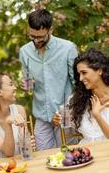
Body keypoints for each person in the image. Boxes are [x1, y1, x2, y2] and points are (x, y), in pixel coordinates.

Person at [19, 9, 78, 150]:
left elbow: (78, 82)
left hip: (65, 112)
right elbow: (28, 83)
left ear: (51, 30)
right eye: (32, 36)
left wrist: (74, 110)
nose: (36, 41)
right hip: (41, 114)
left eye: (41, 37)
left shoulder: (68, 48)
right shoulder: (24, 51)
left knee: (69, 154)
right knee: (43, 157)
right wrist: (28, 86)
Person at [52, 48, 109, 143]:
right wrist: (56, 120)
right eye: (79, 74)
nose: (80, 78)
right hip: (86, 152)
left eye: (84, 73)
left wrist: (97, 115)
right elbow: (65, 122)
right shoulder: (79, 97)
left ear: (100, 71)